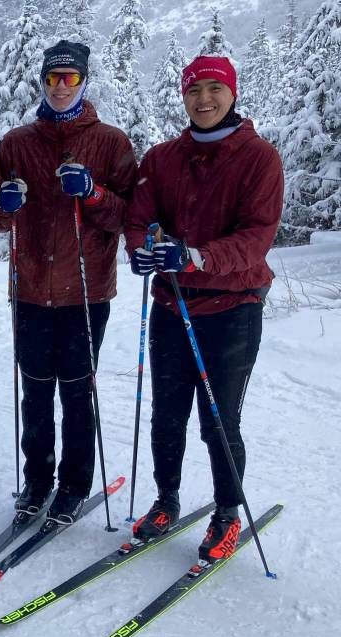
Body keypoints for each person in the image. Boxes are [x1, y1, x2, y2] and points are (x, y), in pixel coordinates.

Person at [125, 56, 283, 561]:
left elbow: (256, 237)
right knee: (166, 415)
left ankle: (227, 514)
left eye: (215, 88)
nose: (204, 99)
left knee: (219, 419)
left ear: (232, 94)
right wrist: (141, 250)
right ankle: (166, 500)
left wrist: (197, 256)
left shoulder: (259, 158)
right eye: (194, 90)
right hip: (173, 306)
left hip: (233, 308)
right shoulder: (161, 159)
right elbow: (138, 218)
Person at [0, 40, 137, 524]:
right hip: (30, 289)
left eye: (70, 77)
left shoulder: (111, 142)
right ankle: (37, 480)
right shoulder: (16, 143)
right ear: (43, 82)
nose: (61, 86)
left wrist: (92, 194)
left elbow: (128, 216)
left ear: (84, 81)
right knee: (34, 393)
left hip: (85, 292)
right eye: (53, 78)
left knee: (76, 393)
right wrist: (5, 206)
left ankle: (73, 485)